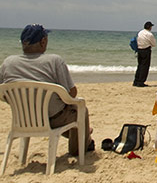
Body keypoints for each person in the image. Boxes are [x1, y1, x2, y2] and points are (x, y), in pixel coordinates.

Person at [0, 25, 94, 155]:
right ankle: (79, 147)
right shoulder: (54, 61)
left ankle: (83, 133)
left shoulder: (8, 63)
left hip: (23, 120)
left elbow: (3, 92)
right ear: (43, 41)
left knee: (70, 113)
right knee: (80, 111)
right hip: (54, 118)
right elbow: (71, 93)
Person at [133, 21, 156, 87]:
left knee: (140, 66)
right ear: (149, 27)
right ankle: (141, 82)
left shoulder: (140, 32)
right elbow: (154, 44)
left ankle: (136, 81)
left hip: (139, 50)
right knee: (145, 66)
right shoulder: (149, 34)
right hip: (146, 50)